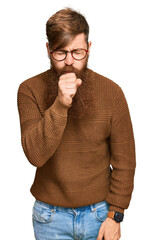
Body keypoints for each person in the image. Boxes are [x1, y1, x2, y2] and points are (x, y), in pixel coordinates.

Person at [17, 8, 136, 240]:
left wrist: (116, 215)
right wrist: (60, 104)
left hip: (100, 215)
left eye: (77, 52)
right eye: (61, 53)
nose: (69, 62)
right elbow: (35, 155)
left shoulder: (112, 92)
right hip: (49, 218)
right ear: (48, 50)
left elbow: (125, 161)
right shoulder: (29, 90)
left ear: (89, 49)